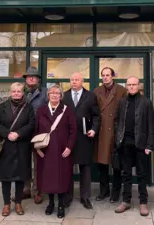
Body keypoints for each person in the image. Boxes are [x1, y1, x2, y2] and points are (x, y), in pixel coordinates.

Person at [0, 82, 36, 217]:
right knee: (5, 178)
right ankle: (6, 204)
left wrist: (19, 133)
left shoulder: (28, 107)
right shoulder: (2, 107)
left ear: (23, 93)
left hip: (22, 146)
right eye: (14, 91)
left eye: (19, 91)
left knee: (20, 178)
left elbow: (32, 124)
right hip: (6, 146)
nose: (16, 93)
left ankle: (18, 203)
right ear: (10, 93)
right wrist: (7, 134)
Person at [113, 76, 154, 216]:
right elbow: (117, 122)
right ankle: (126, 201)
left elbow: (151, 125)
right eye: (129, 84)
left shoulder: (146, 102)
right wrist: (118, 139)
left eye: (134, 84)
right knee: (126, 174)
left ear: (139, 86)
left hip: (141, 145)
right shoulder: (122, 102)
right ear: (126, 86)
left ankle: (143, 202)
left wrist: (149, 144)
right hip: (125, 144)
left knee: (142, 174)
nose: (131, 87)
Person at [35, 84, 77, 219]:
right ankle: (51, 203)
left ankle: (61, 205)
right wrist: (37, 148)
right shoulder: (41, 110)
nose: (54, 95)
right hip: (45, 151)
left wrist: (69, 147)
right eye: (52, 93)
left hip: (62, 151)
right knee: (48, 179)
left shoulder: (67, 110)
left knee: (61, 179)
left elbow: (73, 130)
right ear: (48, 95)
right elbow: (35, 130)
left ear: (61, 96)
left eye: (57, 93)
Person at [63, 73, 100, 209]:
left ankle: (85, 197)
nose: (74, 82)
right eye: (72, 79)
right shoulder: (64, 96)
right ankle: (67, 196)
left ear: (82, 81)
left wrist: (94, 129)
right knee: (68, 168)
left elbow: (96, 115)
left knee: (85, 168)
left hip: (84, 136)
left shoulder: (90, 96)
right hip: (67, 138)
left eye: (77, 80)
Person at [93, 67, 127, 203]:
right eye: (103, 75)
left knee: (116, 165)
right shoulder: (96, 91)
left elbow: (125, 111)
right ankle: (104, 191)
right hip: (101, 132)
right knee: (102, 165)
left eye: (108, 75)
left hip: (115, 131)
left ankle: (116, 192)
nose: (105, 77)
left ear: (113, 76)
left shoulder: (121, 91)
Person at [22, 66, 48, 204]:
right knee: (24, 163)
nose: (31, 78)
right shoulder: (20, 92)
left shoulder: (45, 93)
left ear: (38, 79)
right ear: (26, 79)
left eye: (34, 76)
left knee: (38, 164)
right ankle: (25, 189)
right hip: (24, 134)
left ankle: (38, 191)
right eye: (28, 76)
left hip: (39, 133)